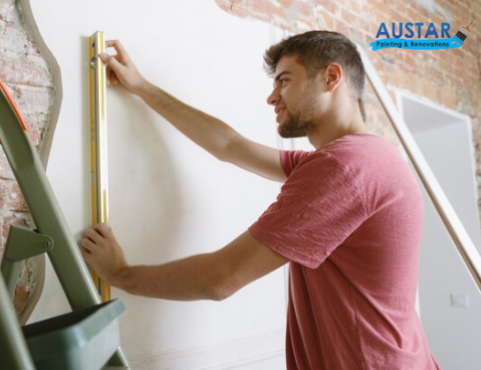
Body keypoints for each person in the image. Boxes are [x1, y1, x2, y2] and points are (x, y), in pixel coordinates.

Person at [80, 31, 441, 369]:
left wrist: (120, 274)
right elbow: (230, 146)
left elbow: (221, 279)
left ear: (331, 78)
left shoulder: (343, 169)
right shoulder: (365, 158)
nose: (272, 97)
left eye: (284, 80)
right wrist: (142, 86)